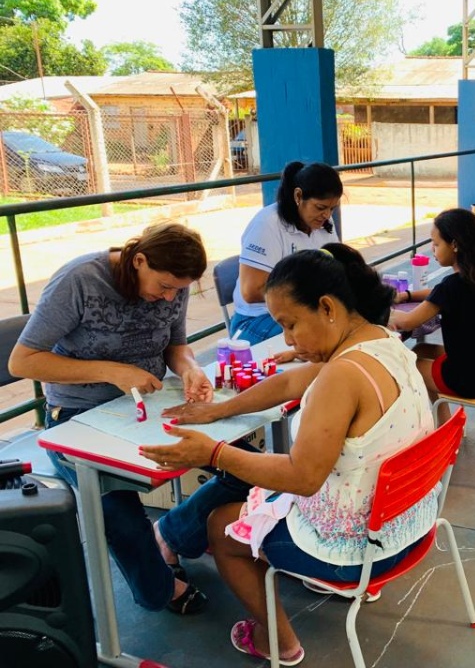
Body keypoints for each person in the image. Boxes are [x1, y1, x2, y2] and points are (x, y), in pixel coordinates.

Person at [141, 245, 436, 666]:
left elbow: (302, 477)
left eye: (291, 323)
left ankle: (275, 641)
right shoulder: (380, 341)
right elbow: (289, 384)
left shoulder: (342, 374)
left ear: (327, 307)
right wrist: (220, 409)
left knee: (221, 527)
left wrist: (215, 452)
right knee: (256, 496)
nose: (288, 339)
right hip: (409, 525)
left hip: (360, 548)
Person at [7, 222, 243, 615]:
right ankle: (159, 589)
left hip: (148, 405)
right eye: (165, 286)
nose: (168, 297)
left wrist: (189, 370)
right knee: (121, 517)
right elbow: (22, 361)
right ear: (139, 260)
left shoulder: (174, 285)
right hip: (77, 416)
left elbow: (175, 345)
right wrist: (111, 371)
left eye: (178, 291)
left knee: (244, 463)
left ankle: (169, 532)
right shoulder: (79, 280)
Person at [389, 208, 475, 423]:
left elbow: (407, 321)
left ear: (454, 244)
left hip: (470, 382)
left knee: (410, 364)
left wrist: (386, 311)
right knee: (420, 349)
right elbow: (437, 293)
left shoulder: (452, 287)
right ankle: (444, 423)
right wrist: (406, 295)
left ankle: (443, 426)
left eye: (436, 243)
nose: (432, 249)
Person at [231, 161, 343, 344]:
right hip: (258, 320)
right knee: (326, 337)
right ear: (298, 196)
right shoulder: (267, 224)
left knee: (352, 325)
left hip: (306, 313)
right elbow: (251, 291)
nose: (327, 215)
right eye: (320, 207)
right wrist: (309, 294)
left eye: (332, 208)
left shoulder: (322, 224)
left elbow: (339, 267)